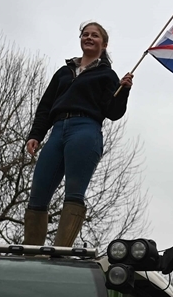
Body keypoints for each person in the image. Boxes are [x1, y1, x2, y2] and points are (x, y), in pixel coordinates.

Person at [24, 22, 134, 246]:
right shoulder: (64, 72)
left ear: (104, 44)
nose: (89, 38)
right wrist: (36, 134)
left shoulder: (106, 74)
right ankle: (31, 252)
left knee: (74, 193)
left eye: (95, 35)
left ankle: (61, 250)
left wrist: (124, 91)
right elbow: (45, 105)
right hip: (57, 130)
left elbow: (113, 112)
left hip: (85, 130)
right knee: (37, 194)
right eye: (85, 34)